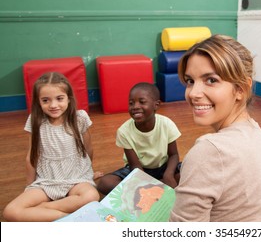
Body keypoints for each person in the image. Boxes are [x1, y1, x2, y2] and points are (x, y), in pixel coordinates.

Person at [169, 35, 261, 222]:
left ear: (241, 89)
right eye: (190, 81)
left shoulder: (210, 151)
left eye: (211, 80)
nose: (193, 93)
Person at [3, 72, 100, 222]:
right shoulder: (35, 121)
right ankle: (68, 219)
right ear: (38, 102)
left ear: (69, 98)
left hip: (76, 179)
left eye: (59, 98)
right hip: (47, 180)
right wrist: (29, 186)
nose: (53, 105)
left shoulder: (80, 118)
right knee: (10, 212)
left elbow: (88, 149)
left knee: (92, 196)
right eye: (46, 100)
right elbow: (31, 156)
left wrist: (88, 174)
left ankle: (43, 210)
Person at [97, 82, 181, 195]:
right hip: (139, 170)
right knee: (105, 183)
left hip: (164, 167)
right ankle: (159, 187)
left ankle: (158, 185)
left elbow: (174, 155)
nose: (135, 107)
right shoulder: (124, 131)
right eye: (131, 103)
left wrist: (168, 175)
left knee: (190, 172)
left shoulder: (166, 124)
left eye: (142, 102)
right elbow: (134, 165)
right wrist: (144, 184)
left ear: (156, 105)